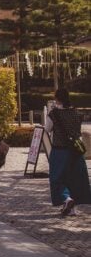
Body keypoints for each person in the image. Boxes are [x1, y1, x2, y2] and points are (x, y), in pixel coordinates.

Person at [45, 88, 91, 217]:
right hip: (76, 151)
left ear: (57, 99)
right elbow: (77, 129)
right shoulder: (75, 112)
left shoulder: (54, 114)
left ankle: (67, 199)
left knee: (57, 179)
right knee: (74, 179)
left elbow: (47, 129)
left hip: (60, 151)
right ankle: (72, 209)